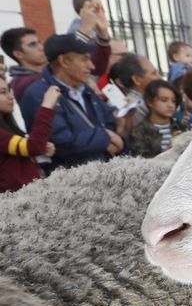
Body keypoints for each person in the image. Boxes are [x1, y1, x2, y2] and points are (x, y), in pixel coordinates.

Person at [18, 32, 121, 172]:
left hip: (104, 172)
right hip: (69, 182)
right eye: (84, 59)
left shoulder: (85, 88)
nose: (91, 66)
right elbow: (62, 142)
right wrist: (105, 137)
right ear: (64, 61)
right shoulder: (39, 94)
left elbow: (109, 121)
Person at [0, 78, 58, 191]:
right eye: (2, 92)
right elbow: (33, 147)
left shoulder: (6, 125)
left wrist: (41, 148)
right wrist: (46, 107)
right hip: (13, 203)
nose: (11, 96)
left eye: (9, 90)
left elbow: (31, 148)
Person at [107, 53, 161, 145]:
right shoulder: (134, 106)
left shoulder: (146, 99)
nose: (160, 78)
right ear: (137, 80)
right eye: (154, 73)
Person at [127, 79, 183, 158]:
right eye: (164, 100)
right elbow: (142, 163)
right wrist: (169, 151)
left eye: (173, 101)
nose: (170, 105)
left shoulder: (179, 125)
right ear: (150, 102)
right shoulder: (139, 132)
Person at [2, 27, 48, 102]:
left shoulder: (44, 75)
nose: (41, 48)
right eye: (32, 45)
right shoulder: (26, 83)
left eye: (39, 42)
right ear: (18, 54)